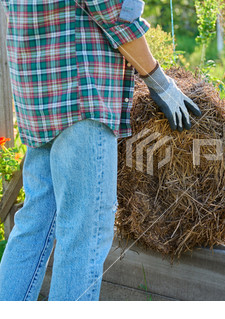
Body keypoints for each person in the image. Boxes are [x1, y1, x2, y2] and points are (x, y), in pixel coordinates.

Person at [0, 0, 201, 301]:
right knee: (83, 235)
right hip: (80, 93)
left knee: (35, 223)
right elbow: (113, 10)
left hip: (39, 93)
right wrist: (160, 83)